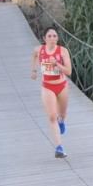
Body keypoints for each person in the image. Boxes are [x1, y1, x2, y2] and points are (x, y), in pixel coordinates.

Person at [30, 28, 72, 158]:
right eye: (50, 36)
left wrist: (57, 64)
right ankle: (59, 147)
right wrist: (34, 70)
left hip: (62, 86)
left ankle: (61, 120)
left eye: (55, 36)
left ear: (57, 38)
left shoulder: (62, 51)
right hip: (47, 87)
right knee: (52, 116)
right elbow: (34, 56)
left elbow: (69, 71)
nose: (52, 38)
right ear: (44, 38)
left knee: (62, 114)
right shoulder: (39, 50)